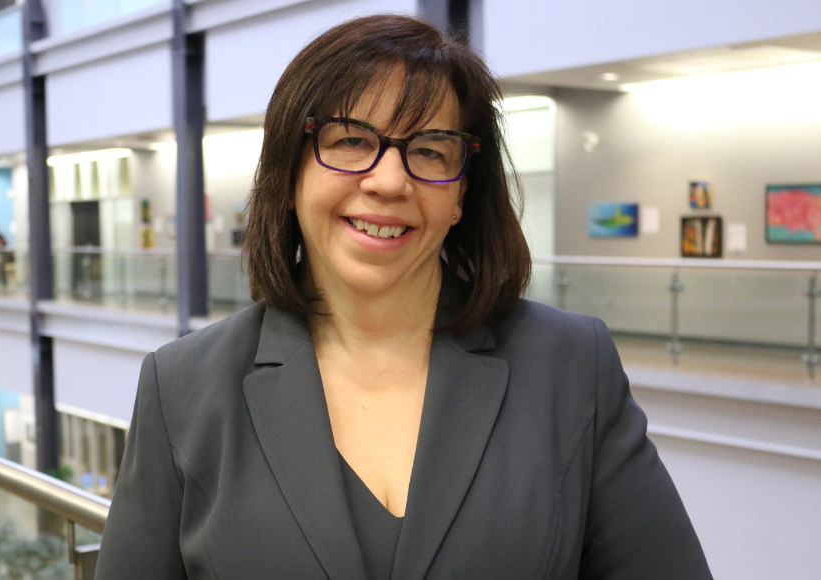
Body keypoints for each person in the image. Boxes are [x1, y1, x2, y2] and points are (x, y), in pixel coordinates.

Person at [95, 14, 712, 580]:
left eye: (429, 151)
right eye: (350, 140)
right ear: (288, 175)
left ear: (461, 196)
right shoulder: (182, 389)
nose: (390, 180)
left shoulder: (571, 365)